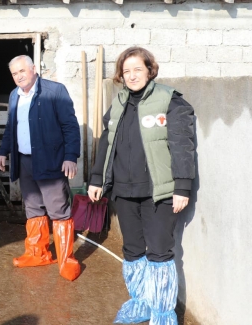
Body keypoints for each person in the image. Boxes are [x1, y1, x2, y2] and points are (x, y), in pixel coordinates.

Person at [87, 47, 195, 325]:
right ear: (120, 76)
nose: (132, 75)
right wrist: (97, 179)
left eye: (137, 69)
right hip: (123, 191)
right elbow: (106, 144)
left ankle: (162, 314)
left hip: (158, 193)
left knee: (160, 252)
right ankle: (141, 303)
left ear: (150, 70)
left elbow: (183, 146)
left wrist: (182, 187)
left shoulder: (169, 100)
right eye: (126, 71)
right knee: (133, 250)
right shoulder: (119, 103)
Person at [0, 55, 82, 281]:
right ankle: (38, 253)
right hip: (24, 160)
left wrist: (71, 156)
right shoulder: (15, 95)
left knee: (58, 210)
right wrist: (3, 152)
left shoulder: (55, 91)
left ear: (34, 69)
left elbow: (70, 126)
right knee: (33, 207)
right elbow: (10, 128)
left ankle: (67, 260)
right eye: (14, 73)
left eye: (22, 71)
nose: (19, 76)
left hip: (51, 160)